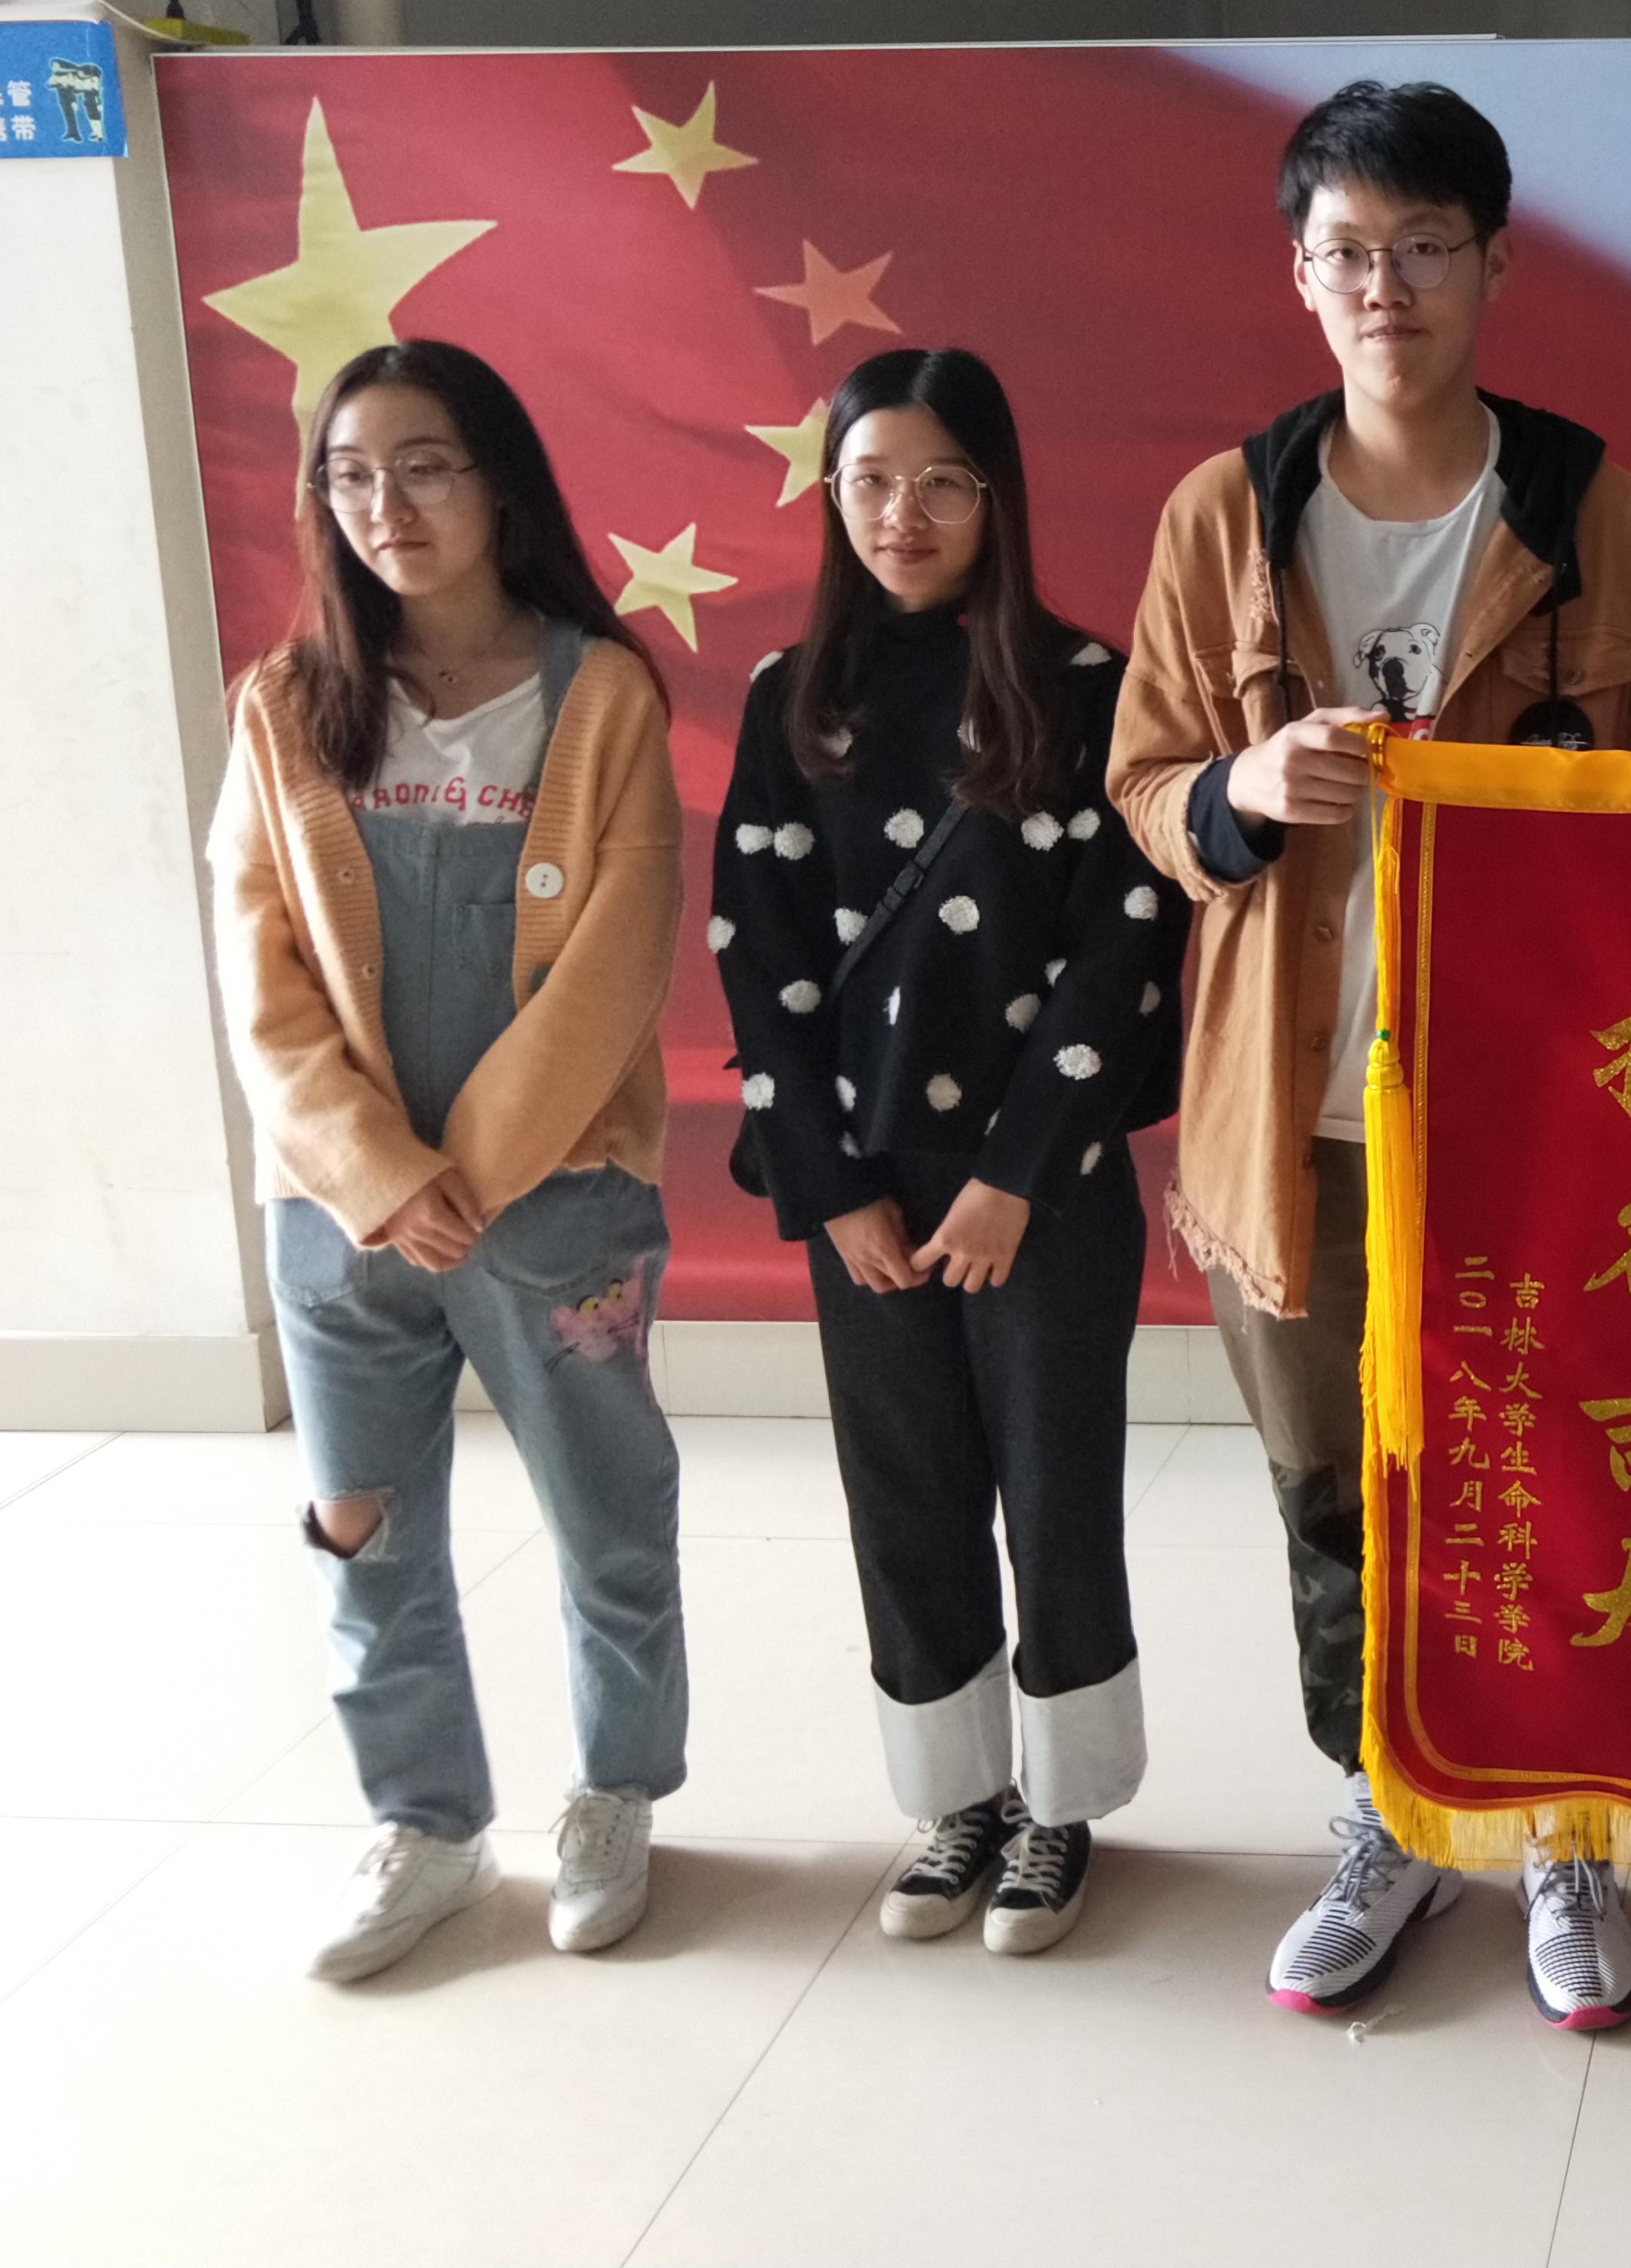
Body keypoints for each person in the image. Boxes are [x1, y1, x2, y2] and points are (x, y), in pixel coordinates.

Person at [1107, 79, 1631, 2028]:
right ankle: (1387, 1807)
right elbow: (1142, 783)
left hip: (1539, 1110)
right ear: (1300, 276)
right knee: (1333, 1488)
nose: (1389, 286)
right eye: (1348, 252)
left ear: (1497, 262)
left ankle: (1561, 1822)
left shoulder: (1594, 510)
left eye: (1426, 245)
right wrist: (1239, 790)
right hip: (1292, 1105)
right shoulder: (1225, 515)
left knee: (1549, 1472)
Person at [208, 340, 688, 1982]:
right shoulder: (286, 706)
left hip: (557, 1200)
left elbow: (619, 954)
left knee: (606, 1508)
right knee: (362, 1521)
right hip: (339, 1213)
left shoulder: (598, 694)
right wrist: (376, 1175)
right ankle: (422, 1822)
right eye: (348, 475)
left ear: (498, 482)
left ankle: (616, 1794)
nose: (385, 505)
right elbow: (258, 966)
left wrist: (466, 1173)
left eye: (423, 467)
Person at [714, 348, 1181, 1957]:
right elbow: (757, 956)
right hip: (867, 1190)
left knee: (1056, 1486)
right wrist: (831, 1190)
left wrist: (1013, 1178)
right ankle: (956, 1794)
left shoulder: (1088, 686)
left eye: (939, 483)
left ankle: (1062, 1804)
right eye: (869, 483)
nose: (900, 515)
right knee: (904, 1489)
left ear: (998, 495)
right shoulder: (795, 699)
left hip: (1040, 1187)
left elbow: (1124, 950)